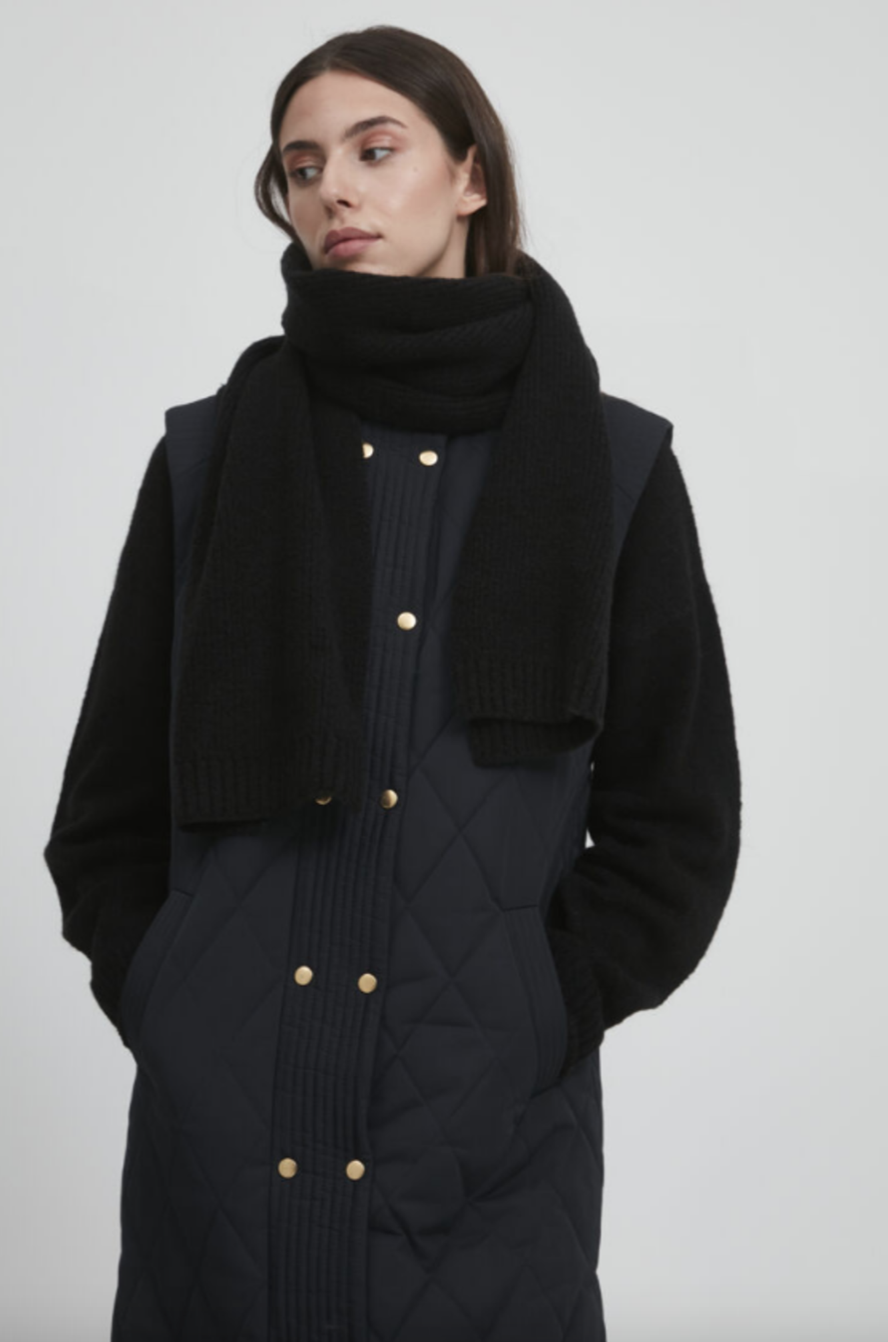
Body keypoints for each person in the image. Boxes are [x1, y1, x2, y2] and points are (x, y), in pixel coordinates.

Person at [43, 24, 742, 1342]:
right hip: (219, 1139)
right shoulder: (206, 459)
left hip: (486, 1147)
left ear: (471, 174)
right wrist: (165, 989)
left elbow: (678, 822)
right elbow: (106, 807)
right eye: (303, 167)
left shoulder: (614, 468)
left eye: (376, 150)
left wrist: (543, 1007)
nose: (335, 193)